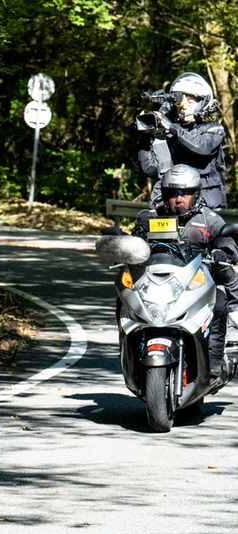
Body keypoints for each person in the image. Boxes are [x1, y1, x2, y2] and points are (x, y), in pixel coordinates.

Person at [132, 164, 238, 380]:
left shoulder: (210, 219)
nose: (178, 200)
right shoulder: (149, 218)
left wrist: (223, 253)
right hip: (156, 282)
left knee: (219, 302)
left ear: (196, 194)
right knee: (124, 296)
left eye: (185, 194)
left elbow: (228, 243)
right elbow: (134, 243)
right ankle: (130, 352)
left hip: (196, 284)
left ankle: (214, 359)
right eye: (172, 194)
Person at [138, 72, 227, 209]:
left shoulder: (214, 129)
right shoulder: (168, 134)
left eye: (190, 102)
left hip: (206, 206)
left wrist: (171, 127)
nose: (184, 107)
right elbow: (150, 170)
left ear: (203, 104)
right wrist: (145, 137)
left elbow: (201, 147)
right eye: (180, 103)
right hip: (171, 205)